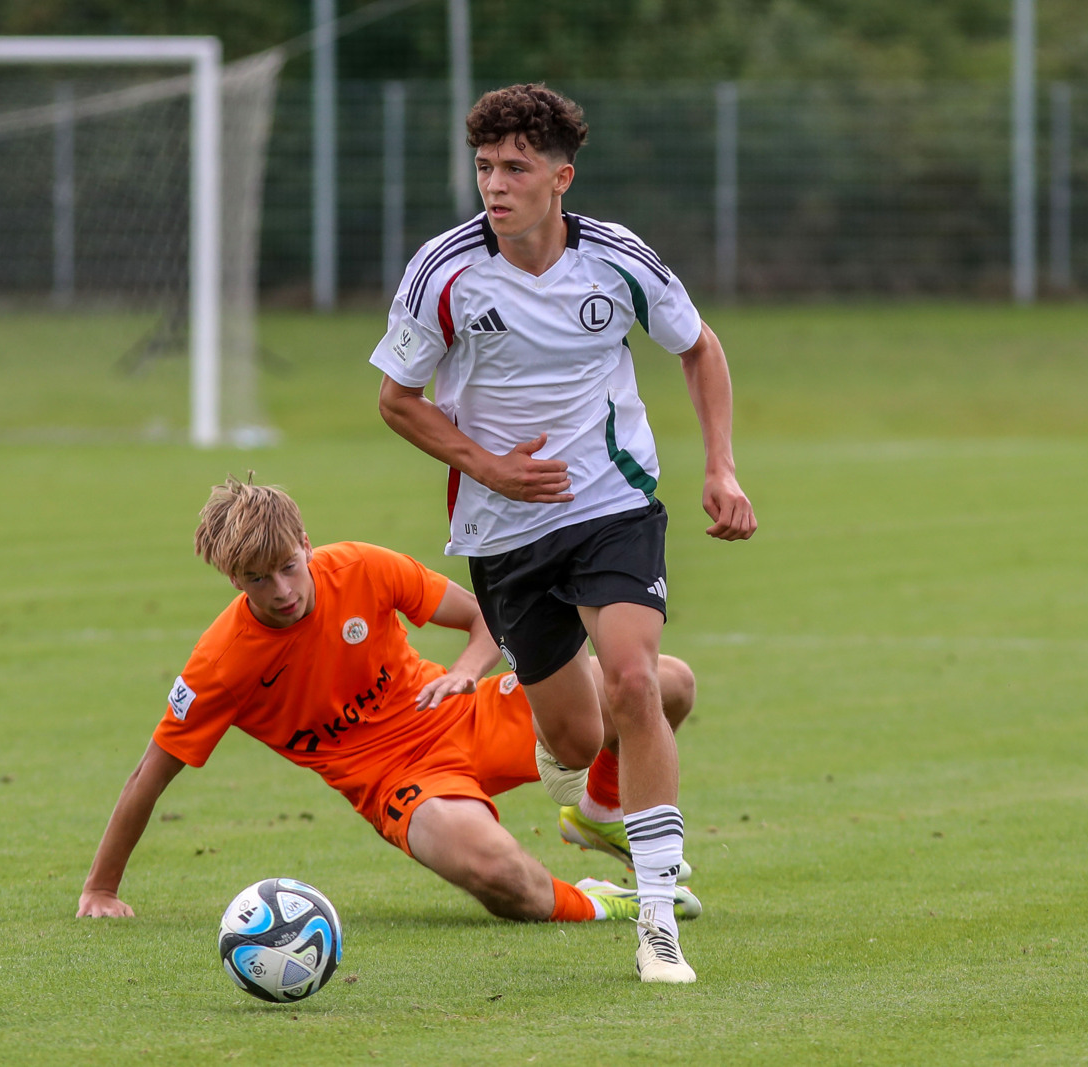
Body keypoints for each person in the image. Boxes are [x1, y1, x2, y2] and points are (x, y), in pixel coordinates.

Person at [371, 83, 756, 982]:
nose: (494, 185)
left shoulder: (616, 260)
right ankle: (595, 799)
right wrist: (492, 467)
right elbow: (396, 400)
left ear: (560, 176)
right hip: (503, 530)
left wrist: (721, 465)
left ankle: (656, 917)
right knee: (582, 738)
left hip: (612, 505)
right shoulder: (445, 270)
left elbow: (698, 345)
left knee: (631, 677)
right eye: (483, 167)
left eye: (514, 168)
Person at [75, 477, 701, 931]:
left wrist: (463, 671)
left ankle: (598, 806)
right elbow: (148, 776)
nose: (283, 591)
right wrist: (101, 888)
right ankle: (598, 902)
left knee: (665, 684)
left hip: (462, 712)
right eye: (257, 580)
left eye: (290, 567)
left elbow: (485, 616)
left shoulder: (361, 568)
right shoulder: (220, 664)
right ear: (233, 580)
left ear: (306, 542)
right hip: (400, 784)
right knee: (502, 877)